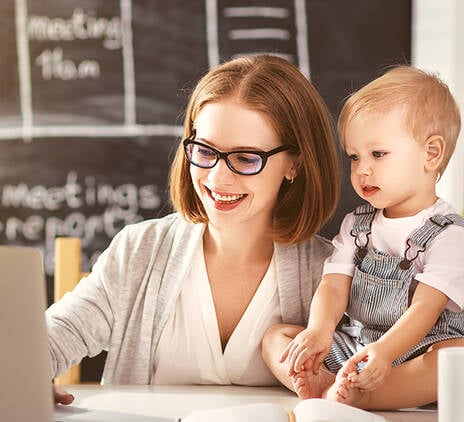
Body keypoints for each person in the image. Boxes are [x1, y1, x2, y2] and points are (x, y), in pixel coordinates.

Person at [48, 54, 340, 404]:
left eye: (246, 158)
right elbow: (56, 335)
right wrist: (25, 374)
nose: (217, 178)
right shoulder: (140, 250)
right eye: (204, 150)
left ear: (295, 163)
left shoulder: (332, 274)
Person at [262, 65, 464, 410]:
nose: (362, 169)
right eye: (354, 157)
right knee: (275, 337)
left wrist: (385, 353)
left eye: (378, 154)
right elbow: (334, 284)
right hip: (357, 344)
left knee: (456, 356)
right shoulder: (357, 224)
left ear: (431, 153)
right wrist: (320, 331)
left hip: (413, 351)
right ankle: (327, 382)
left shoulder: (449, 235)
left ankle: (367, 395)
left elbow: (425, 310)